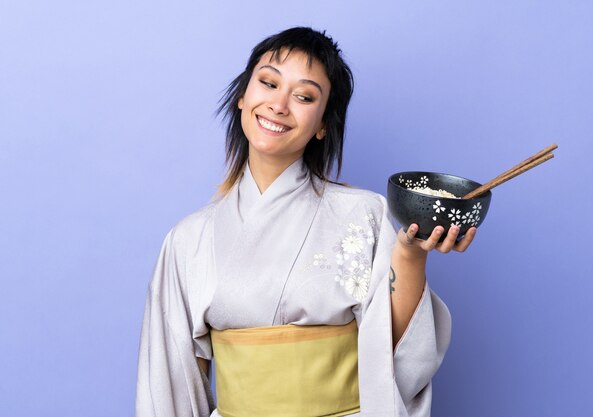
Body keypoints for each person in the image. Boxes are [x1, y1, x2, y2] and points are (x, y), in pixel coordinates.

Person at [136, 27, 476, 417]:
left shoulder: (364, 214)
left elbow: (401, 355)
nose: (279, 105)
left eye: (304, 96)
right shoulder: (188, 240)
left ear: (322, 125)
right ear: (243, 96)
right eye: (268, 83)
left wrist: (410, 256)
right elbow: (171, 385)